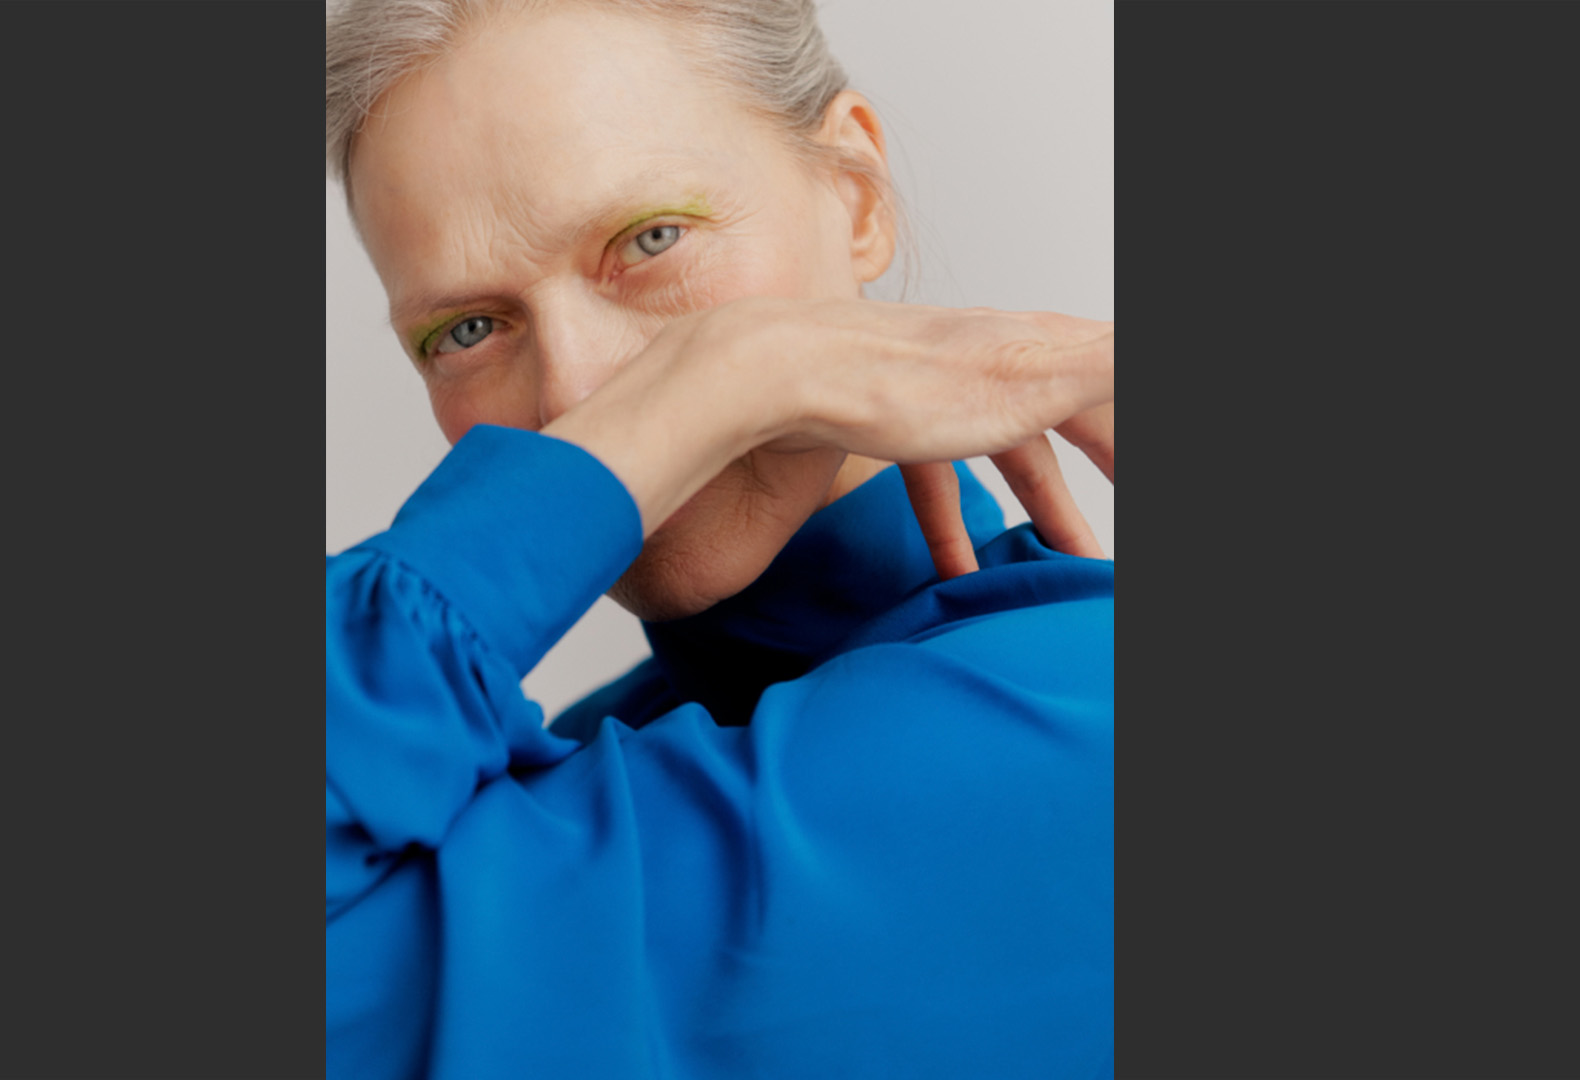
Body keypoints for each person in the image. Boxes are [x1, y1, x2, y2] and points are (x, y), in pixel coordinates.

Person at [324, 0, 1115, 1076]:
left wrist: (726, 376)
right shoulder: (571, 759)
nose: (575, 396)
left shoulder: (1069, 707)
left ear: (856, 193)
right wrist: (724, 375)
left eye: (651, 239)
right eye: (467, 329)